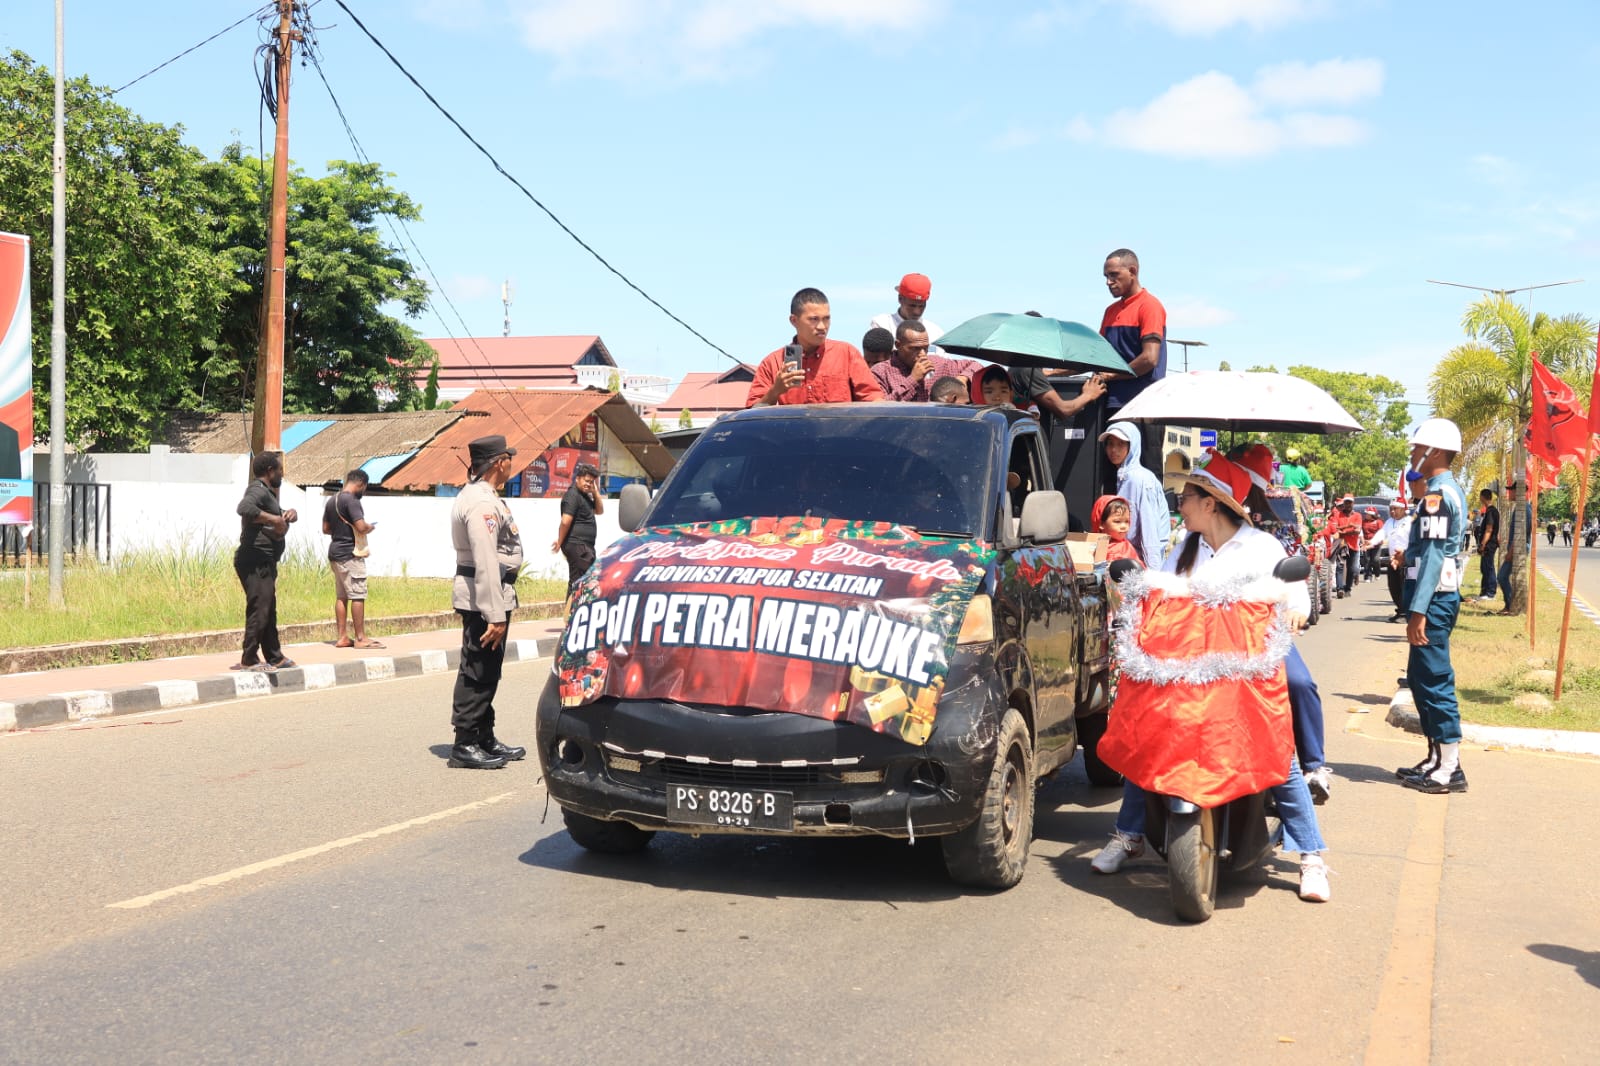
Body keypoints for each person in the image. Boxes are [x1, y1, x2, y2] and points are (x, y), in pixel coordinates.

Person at [1090, 451, 1330, 902]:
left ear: (1210, 503)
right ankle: (1129, 834)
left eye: (1186, 497)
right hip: (1190, 661)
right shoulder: (1185, 547)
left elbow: (1294, 591)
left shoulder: (1262, 545)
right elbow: (1161, 595)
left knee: (1278, 743)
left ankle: (1310, 854)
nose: (1179, 504)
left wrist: (1296, 611)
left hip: (1251, 658)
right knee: (1152, 735)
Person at [1235, 442, 1332, 802]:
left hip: (1262, 629)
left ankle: (1313, 766)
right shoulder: (1193, 538)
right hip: (1210, 633)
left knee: (1300, 682)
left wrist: (1298, 609)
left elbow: (1293, 580)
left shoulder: (1270, 533)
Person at [1396, 419, 1469, 794]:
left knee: (1435, 680)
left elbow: (1435, 556)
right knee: (1421, 677)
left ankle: (1449, 768)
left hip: (1435, 599)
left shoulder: (1437, 497)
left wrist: (1419, 609)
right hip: (1433, 597)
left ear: (1434, 452)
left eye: (1417, 448)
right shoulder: (1442, 491)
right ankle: (1435, 757)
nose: (1412, 454)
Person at [447, 434, 527, 771]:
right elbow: (485, 559)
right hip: (485, 598)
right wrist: (494, 614)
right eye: (509, 459)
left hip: (490, 594)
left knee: (488, 670)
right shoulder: (481, 503)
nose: (511, 465)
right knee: (477, 670)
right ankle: (465, 743)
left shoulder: (486, 496)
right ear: (499, 462)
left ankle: (483, 736)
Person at [748, 288, 884, 407]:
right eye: (814, 319)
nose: (822, 326)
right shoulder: (773, 363)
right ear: (794, 321)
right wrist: (775, 391)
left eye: (826, 319)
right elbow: (752, 415)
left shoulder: (846, 354)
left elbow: (874, 401)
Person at [1099, 248, 1167, 482]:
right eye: (1106, 276)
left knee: (1146, 474)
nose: (1109, 282)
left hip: (1144, 408)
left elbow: (1150, 358)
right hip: (1114, 407)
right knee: (1112, 476)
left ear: (1133, 271)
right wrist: (1052, 371)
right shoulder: (1110, 312)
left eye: (1114, 275)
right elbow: (1096, 356)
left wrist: (1110, 375)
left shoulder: (1150, 306)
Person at [232, 452, 298, 672]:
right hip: (255, 559)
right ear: (270, 471)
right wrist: (274, 519)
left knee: (268, 608)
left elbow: (271, 514)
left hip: (265, 560)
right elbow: (244, 508)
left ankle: (274, 656)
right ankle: (249, 658)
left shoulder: (267, 493)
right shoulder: (257, 490)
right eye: (279, 470)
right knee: (259, 608)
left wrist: (287, 514)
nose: (281, 474)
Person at [322, 469, 382, 650]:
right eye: (365, 487)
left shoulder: (332, 500)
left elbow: (326, 529)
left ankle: (342, 637)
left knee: (341, 596)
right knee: (357, 594)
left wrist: (341, 531)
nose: (364, 491)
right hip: (351, 554)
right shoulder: (352, 501)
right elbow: (361, 527)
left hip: (335, 553)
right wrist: (370, 527)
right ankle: (360, 638)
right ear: (361, 484)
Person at [1098, 423, 1169, 568]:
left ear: (1132, 446)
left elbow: (1150, 531)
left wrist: (1153, 572)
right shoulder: (1124, 476)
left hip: (1140, 565)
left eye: (1120, 444)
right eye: (1110, 444)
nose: (1114, 450)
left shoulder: (1139, 479)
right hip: (1129, 559)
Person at [872, 319, 979, 402]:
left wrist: (962, 379)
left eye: (926, 348)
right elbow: (880, 409)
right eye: (915, 348)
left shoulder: (938, 363)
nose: (922, 354)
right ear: (898, 345)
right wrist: (913, 380)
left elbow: (975, 365)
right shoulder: (881, 372)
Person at [553, 461, 603, 599]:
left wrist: (595, 492)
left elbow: (599, 511)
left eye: (591, 482)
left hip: (584, 547)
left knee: (585, 582)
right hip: (577, 545)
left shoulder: (584, 496)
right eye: (586, 481)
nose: (588, 484)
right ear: (577, 479)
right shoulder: (573, 495)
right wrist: (559, 542)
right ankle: (570, 611)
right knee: (578, 582)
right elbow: (565, 521)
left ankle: (576, 609)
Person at [868, 272, 946, 343]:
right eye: (912, 305)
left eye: (921, 306)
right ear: (900, 299)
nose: (917, 312)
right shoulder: (882, 324)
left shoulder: (936, 333)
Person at [1380, 498, 1413, 622]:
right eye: (1391, 509)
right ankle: (1400, 610)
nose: (1392, 511)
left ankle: (1405, 612)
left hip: (1406, 560)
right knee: (1393, 586)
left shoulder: (1410, 522)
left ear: (1404, 509)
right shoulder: (1389, 522)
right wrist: (1371, 542)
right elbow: (1381, 533)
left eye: (1395, 509)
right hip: (1393, 559)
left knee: (1404, 586)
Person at [1325, 496, 1363, 596]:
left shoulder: (1357, 515)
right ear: (1344, 504)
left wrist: (1343, 531)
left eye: (1350, 503)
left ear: (1353, 504)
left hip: (1353, 545)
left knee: (1352, 568)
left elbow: (1357, 531)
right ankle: (1340, 589)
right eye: (1346, 502)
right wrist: (1350, 527)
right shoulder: (1338, 515)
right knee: (1340, 566)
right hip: (1341, 544)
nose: (1348, 505)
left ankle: (1348, 589)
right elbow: (1335, 530)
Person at [1092, 495, 1141, 564]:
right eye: (1117, 521)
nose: (1124, 526)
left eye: (1127, 521)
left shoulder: (1126, 548)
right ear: (1101, 524)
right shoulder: (1092, 546)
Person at [1474, 488, 1500, 602]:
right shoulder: (1491, 511)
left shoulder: (1491, 511)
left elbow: (1489, 529)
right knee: (1484, 567)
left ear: (1482, 497)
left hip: (1489, 544)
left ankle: (1490, 592)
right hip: (1490, 543)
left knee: (1488, 567)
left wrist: (1483, 544)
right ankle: (1484, 592)